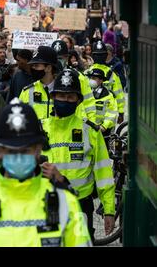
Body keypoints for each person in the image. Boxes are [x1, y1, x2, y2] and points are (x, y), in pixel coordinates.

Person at [0, 99, 92, 247]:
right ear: (0, 151)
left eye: (26, 150)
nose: (19, 157)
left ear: (38, 150)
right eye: (11, 150)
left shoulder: (65, 202)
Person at [41, 69, 115, 241]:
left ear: (78, 101)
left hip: (80, 204)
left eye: (70, 97)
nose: (65, 101)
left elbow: (104, 173)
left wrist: (109, 210)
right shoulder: (39, 128)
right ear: (53, 97)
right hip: (46, 203)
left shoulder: (90, 131)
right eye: (61, 96)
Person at [86, 40, 125, 124]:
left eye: (101, 55)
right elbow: (119, 95)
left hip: (93, 118)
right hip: (106, 119)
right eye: (98, 55)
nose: (99, 57)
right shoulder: (112, 75)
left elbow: (119, 94)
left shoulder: (87, 73)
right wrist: (121, 113)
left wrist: (121, 112)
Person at [19, 46, 59, 120]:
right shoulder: (27, 91)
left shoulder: (63, 91)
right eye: (32, 65)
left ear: (48, 68)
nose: (33, 68)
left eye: (36, 66)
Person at [88, 68, 118, 140]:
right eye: (91, 78)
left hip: (104, 129)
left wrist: (104, 126)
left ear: (101, 80)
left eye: (94, 78)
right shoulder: (86, 92)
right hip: (89, 127)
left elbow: (112, 112)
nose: (91, 80)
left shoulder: (108, 95)